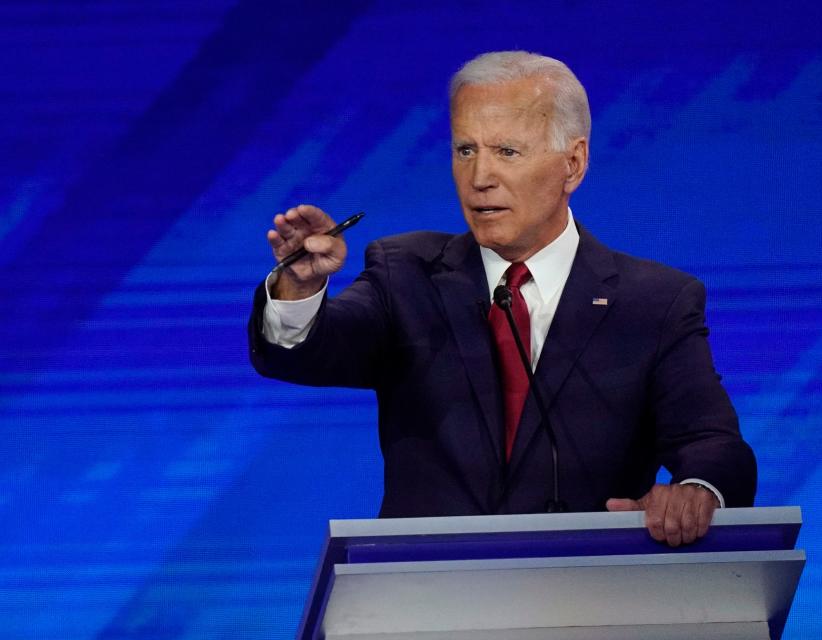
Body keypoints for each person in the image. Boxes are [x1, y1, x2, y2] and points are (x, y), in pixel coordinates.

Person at [248, 51, 756, 547]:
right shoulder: (406, 274)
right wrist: (301, 285)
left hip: (585, 598)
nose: (479, 178)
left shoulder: (654, 302)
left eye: (506, 152)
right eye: (465, 150)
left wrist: (696, 490)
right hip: (427, 602)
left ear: (573, 164)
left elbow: (714, 445)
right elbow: (310, 349)